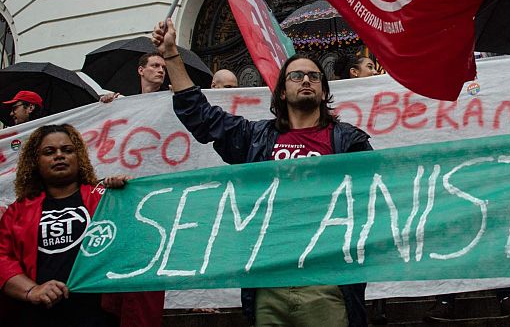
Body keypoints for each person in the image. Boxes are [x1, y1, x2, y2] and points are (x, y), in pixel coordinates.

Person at [152, 18, 372, 327]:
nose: (306, 80)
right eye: (296, 76)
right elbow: (200, 116)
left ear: (324, 92)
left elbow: (377, 199)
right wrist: (171, 55)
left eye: (314, 76)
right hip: (269, 283)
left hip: (327, 283)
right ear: (282, 92)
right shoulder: (256, 138)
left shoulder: (349, 141)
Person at [0, 124, 132, 326]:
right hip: (36, 317)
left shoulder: (104, 199)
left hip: (97, 317)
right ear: (35, 161)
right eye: (49, 152)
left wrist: (128, 196)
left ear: (78, 157)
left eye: (67, 150)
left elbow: (135, 242)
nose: (59, 155)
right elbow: (2, 258)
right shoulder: (17, 211)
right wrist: (32, 290)